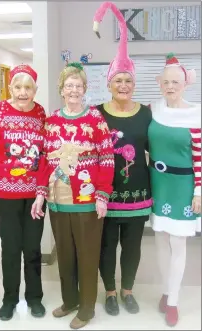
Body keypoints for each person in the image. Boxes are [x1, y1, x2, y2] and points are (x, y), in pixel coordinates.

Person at [31, 62, 115, 329]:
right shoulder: (52, 120)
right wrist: (41, 193)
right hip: (59, 203)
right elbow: (45, 159)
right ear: (61, 89)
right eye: (69, 86)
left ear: (85, 89)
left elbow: (107, 158)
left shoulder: (95, 120)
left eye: (78, 86)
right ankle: (70, 300)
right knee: (65, 255)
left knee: (88, 256)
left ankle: (87, 308)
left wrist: (102, 194)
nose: (74, 90)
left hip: (87, 202)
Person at [93, 1, 152, 316]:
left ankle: (128, 290)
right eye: (118, 80)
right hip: (106, 194)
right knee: (106, 246)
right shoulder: (98, 114)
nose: (124, 85)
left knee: (133, 247)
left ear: (134, 83)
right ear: (109, 83)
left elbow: (157, 150)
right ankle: (111, 293)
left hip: (138, 193)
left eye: (128, 80)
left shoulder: (146, 114)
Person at [0, 64, 47, 321]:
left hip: (34, 196)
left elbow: (46, 154)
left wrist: (42, 190)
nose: (22, 92)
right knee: (10, 249)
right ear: (10, 88)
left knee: (32, 248)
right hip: (5, 195)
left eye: (28, 88)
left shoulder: (40, 113)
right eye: (17, 87)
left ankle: (34, 297)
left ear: (35, 90)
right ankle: (9, 298)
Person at [148, 53, 201, 327]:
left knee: (178, 243)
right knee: (159, 241)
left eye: (176, 83)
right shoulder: (153, 109)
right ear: (160, 84)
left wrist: (199, 192)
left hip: (184, 186)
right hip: (158, 183)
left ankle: (173, 301)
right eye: (166, 82)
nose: (171, 87)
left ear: (185, 84)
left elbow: (200, 156)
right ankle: (166, 289)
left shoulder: (196, 113)